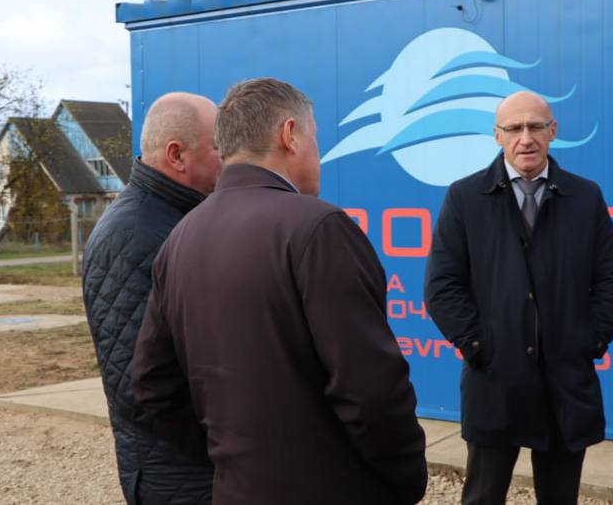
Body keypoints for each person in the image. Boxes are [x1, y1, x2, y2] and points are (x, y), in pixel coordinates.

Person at [130, 77, 427, 505]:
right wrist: (406, 477)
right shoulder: (319, 228)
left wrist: (229, 458)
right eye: (314, 138)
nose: (317, 154)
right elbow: (371, 389)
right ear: (290, 135)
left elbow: (152, 386)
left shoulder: (180, 237)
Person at [424, 91, 613, 505]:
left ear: (553, 131)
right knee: (483, 496)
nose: (526, 138)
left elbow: (609, 278)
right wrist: (479, 347)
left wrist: (590, 340)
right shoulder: (465, 198)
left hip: (565, 381)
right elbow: (442, 286)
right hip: (495, 381)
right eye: (514, 128)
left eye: (535, 126)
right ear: (497, 135)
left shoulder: (585, 197)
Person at [82, 92, 222, 504]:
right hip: (179, 475)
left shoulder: (174, 218)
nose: (229, 160)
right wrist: (230, 443)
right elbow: (144, 389)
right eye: (219, 147)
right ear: (177, 155)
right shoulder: (132, 237)